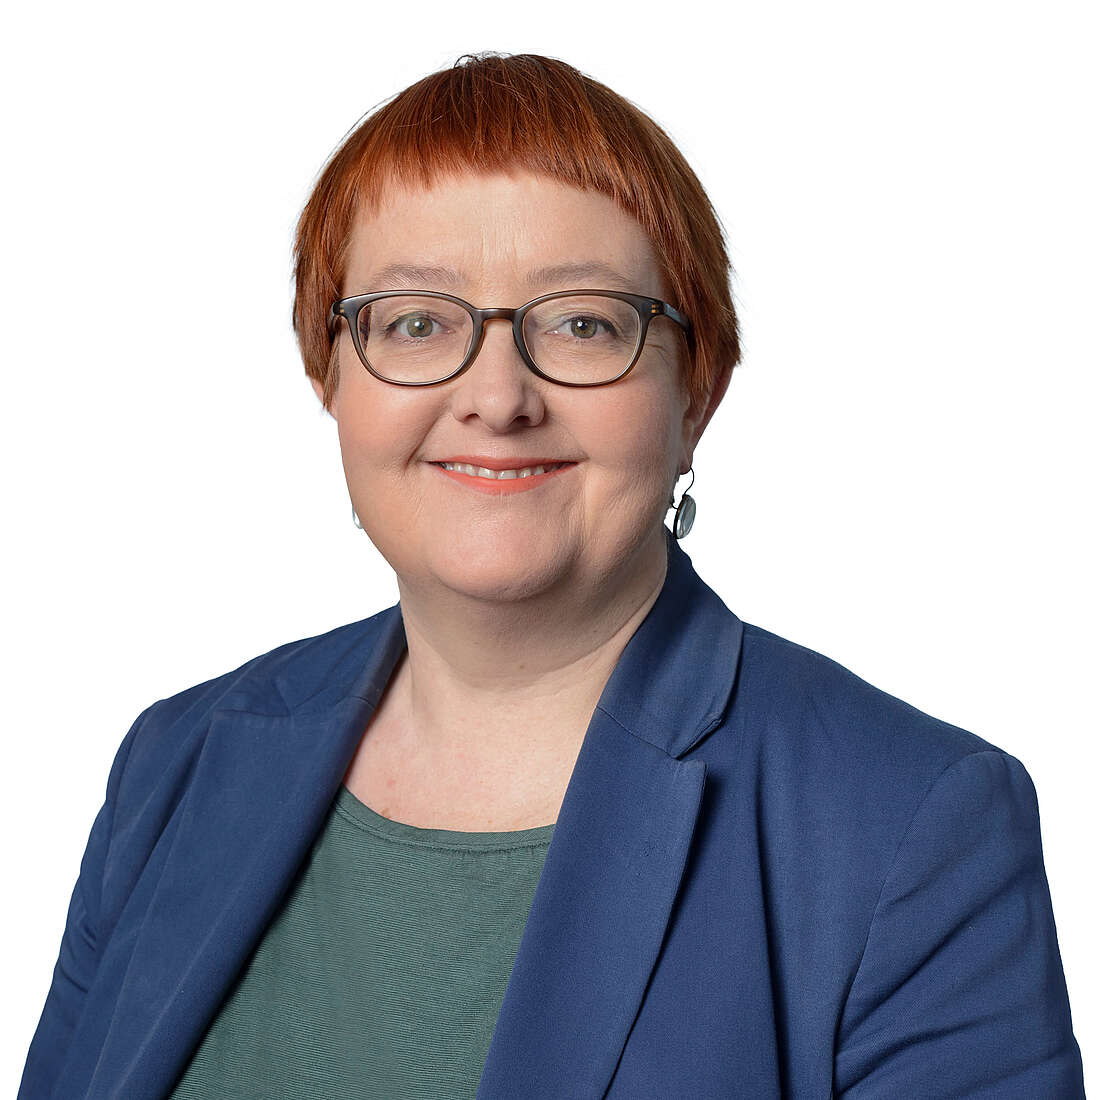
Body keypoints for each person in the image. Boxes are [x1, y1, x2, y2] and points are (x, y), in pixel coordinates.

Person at [19, 51, 1084, 1100]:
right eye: (416, 321)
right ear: (328, 375)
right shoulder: (177, 761)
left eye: (581, 323)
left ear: (697, 390)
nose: (496, 397)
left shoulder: (909, 822)